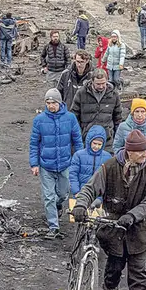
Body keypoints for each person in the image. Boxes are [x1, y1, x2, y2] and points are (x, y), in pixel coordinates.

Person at [73, 129, 146, 290]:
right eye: (141, 151)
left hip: (138, 229)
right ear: (129, 151)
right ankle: (110, 289)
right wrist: (80, 204)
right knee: (114, 264)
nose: (145, 154)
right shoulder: (109, 167)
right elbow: (90, 188)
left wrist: (132, 215)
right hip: (113, 227)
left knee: (138, 269)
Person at [29, 88, 83, 239]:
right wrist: (34, 164)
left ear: (60, 102)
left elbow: (77, 141)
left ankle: (58, 205)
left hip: (65, 163)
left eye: (53, 102)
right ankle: (54, 227)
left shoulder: (70, 118)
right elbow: (34, 143)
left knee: (63, 193)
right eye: (48, 102)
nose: (51, 105)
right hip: (46, 164)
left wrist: (79, 160)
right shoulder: (39, 120)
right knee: (49, 196)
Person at [71, 69, 122, 144]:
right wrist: (80, 134)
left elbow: (118, 118)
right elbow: (74, 115)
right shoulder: (81, 93)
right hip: (86, 138)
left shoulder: (114, 94)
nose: (101, 86)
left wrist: (117, 138)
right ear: (92, 81)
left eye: (103, 83)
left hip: (107, 139)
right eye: (98, 84)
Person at [68, 125, 112, 210]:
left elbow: (109, 178)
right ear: (89, 141)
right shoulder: (79, 155)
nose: (96, 147)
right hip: (81, 194)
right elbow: (73, 174)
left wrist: (102, 197)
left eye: (99, 144)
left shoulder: (107, 157)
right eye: (94, 143)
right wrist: (76, 191)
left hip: (100, 197)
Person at [113, 98, 146, 168]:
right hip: (127, 167)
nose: (140, 115)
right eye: (137, 111)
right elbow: (117, 147)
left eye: (142, 111)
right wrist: (123, 163)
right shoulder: (123, 127)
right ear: (132, 112)